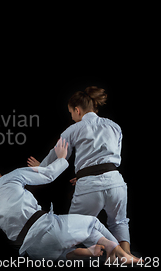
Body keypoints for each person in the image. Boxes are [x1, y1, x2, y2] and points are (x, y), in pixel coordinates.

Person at [0, 138, 140, 263]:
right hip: (51, 230)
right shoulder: (8, 178)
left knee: (62, 252)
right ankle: (119, 253)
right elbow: (49, 175)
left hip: (35, 252)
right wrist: (60, 158)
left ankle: (90, 252)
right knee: (92, 224)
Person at [27, 86, 133, 256]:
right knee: (119, 221)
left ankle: (109, 253)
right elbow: (110, 159)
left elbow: (57, 154)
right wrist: (86, 172)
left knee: (73, 227)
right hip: (116, 182)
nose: (72, 117)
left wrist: (42, 167)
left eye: (71, 113)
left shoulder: (74, 129)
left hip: (90, 186)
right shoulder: (114, 126)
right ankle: (127, 254)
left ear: (77, 110)